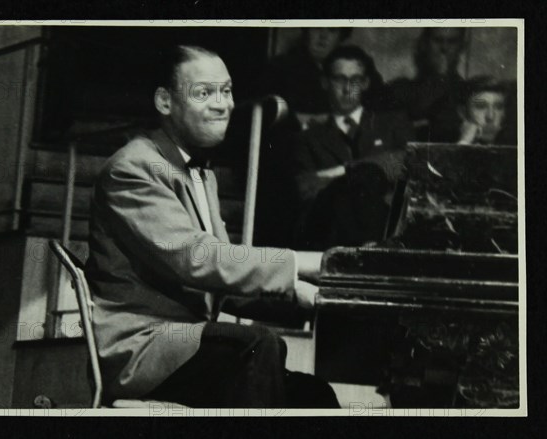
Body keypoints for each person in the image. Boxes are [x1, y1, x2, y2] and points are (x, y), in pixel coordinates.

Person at [84, 45, 339, 408]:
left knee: (315, 395)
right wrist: (300, 263)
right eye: (204, 93)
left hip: (188, 346)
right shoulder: (134, 168)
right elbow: (198, 260)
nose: (223, 104)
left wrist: (302, 296)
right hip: (143, 349)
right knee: (257, 345)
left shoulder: (200, 172)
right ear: (164, 101)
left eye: (227, 90)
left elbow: (221, 282)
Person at [290, 45, 413, 250]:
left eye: (355, 80)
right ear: (325, 82)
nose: (347, 89)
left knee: (364, 176)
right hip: (331, 235)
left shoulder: (392, 124)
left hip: (387, 229)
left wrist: (344, 170)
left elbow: (407, 162)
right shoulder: (307, 138)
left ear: (365, 83)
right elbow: (305, 188)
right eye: (339, 79)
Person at [387, 28, 467, 141]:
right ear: (425, 44)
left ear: (461, 47)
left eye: (452, 42)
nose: (444, 48)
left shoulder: (468, 91)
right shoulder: (400, 90)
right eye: (438, 40)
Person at [433, 75, 516, 145]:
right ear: (462, 112)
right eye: (481, 107)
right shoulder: (442, 140)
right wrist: (464, 142)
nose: (490, 116)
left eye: (498, 107)